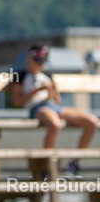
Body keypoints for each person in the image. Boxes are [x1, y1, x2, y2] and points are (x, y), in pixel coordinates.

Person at [10, 44, 99, 175]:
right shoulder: (21, 76)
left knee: (92, 122)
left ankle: (75, 162)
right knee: (55, 124)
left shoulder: (47, 75)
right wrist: (39, 90)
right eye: (37, 62)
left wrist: (53, 90)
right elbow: (17, 101)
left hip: (54, 107)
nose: (40, 65)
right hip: (37, 107)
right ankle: (46, 164)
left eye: (42, 63)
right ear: (30, 58)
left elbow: (57, 101)